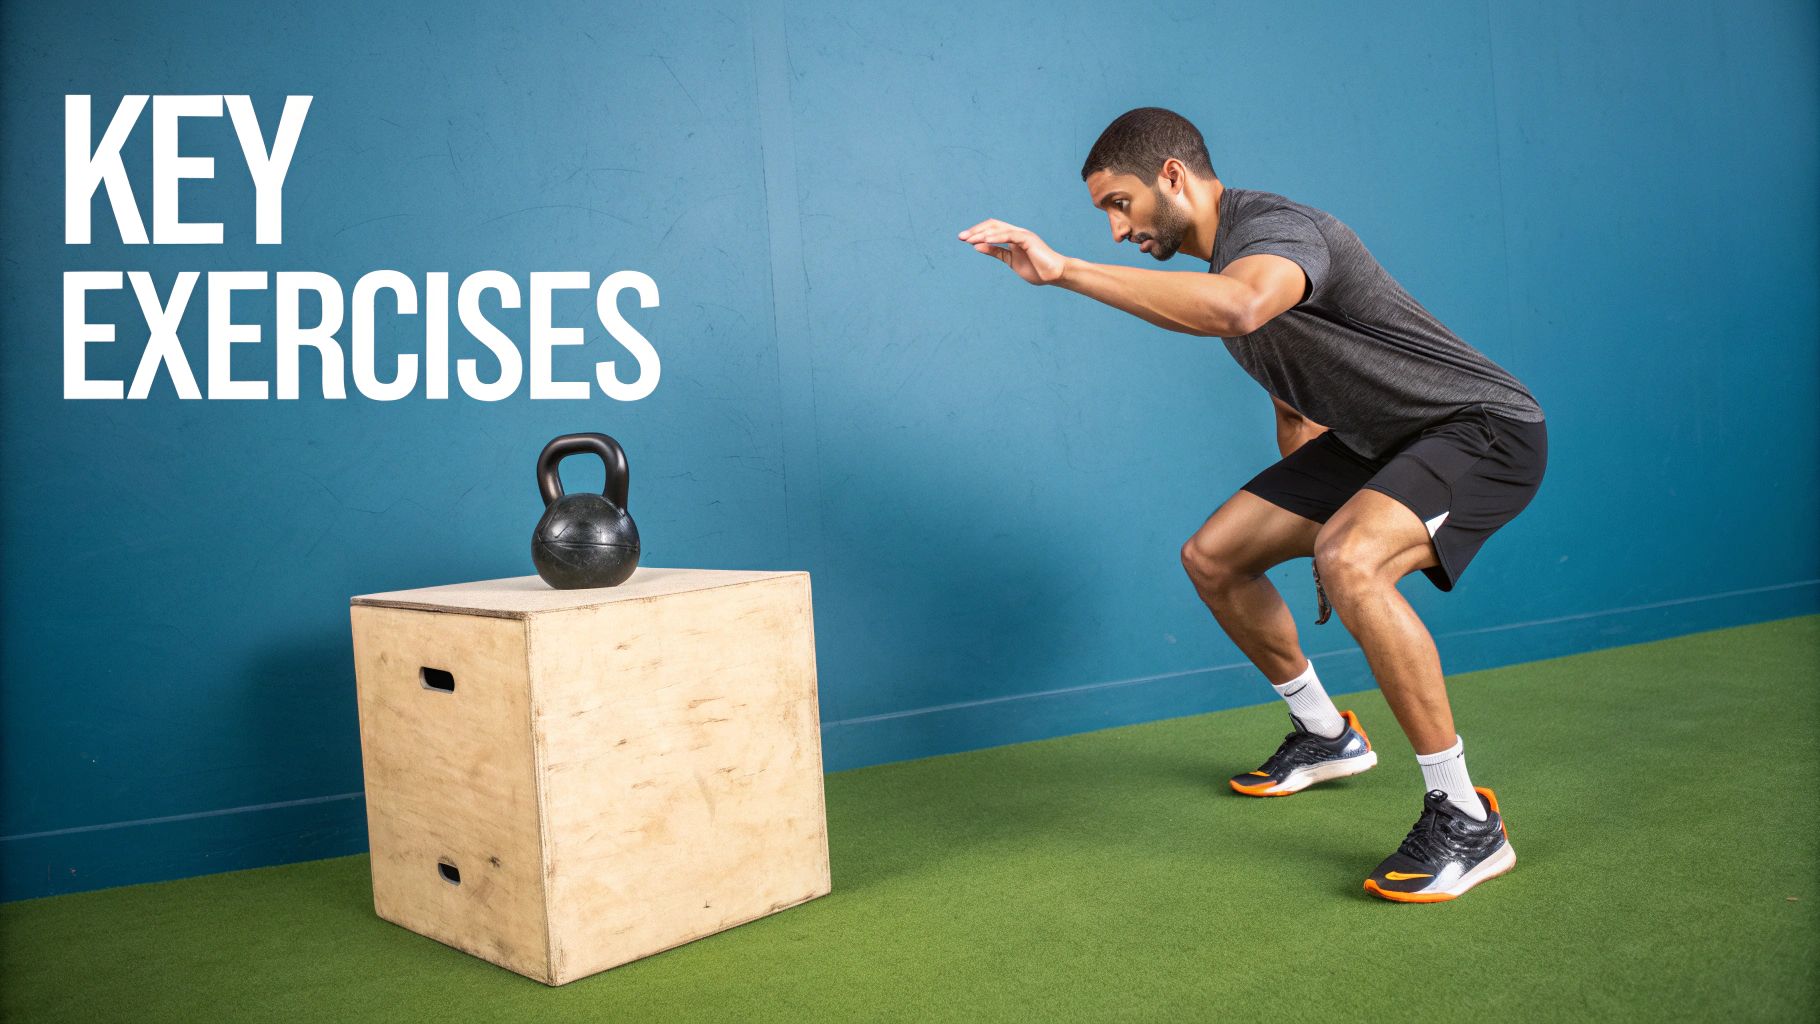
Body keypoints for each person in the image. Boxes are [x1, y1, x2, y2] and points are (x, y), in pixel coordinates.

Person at [957, 107, 1547, 902]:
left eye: (1118, 203)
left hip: (1479, 428)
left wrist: (1063, 271)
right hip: (1379, 444)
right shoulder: (1223, 275)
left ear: (1172, 175)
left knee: (1353, 561)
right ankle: (1326, 733)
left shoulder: (1274, 231)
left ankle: (1466, 819)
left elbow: (1240, 307)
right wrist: (1324, 528)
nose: (1115, 229)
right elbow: (1297, 410)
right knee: (1216, 557)